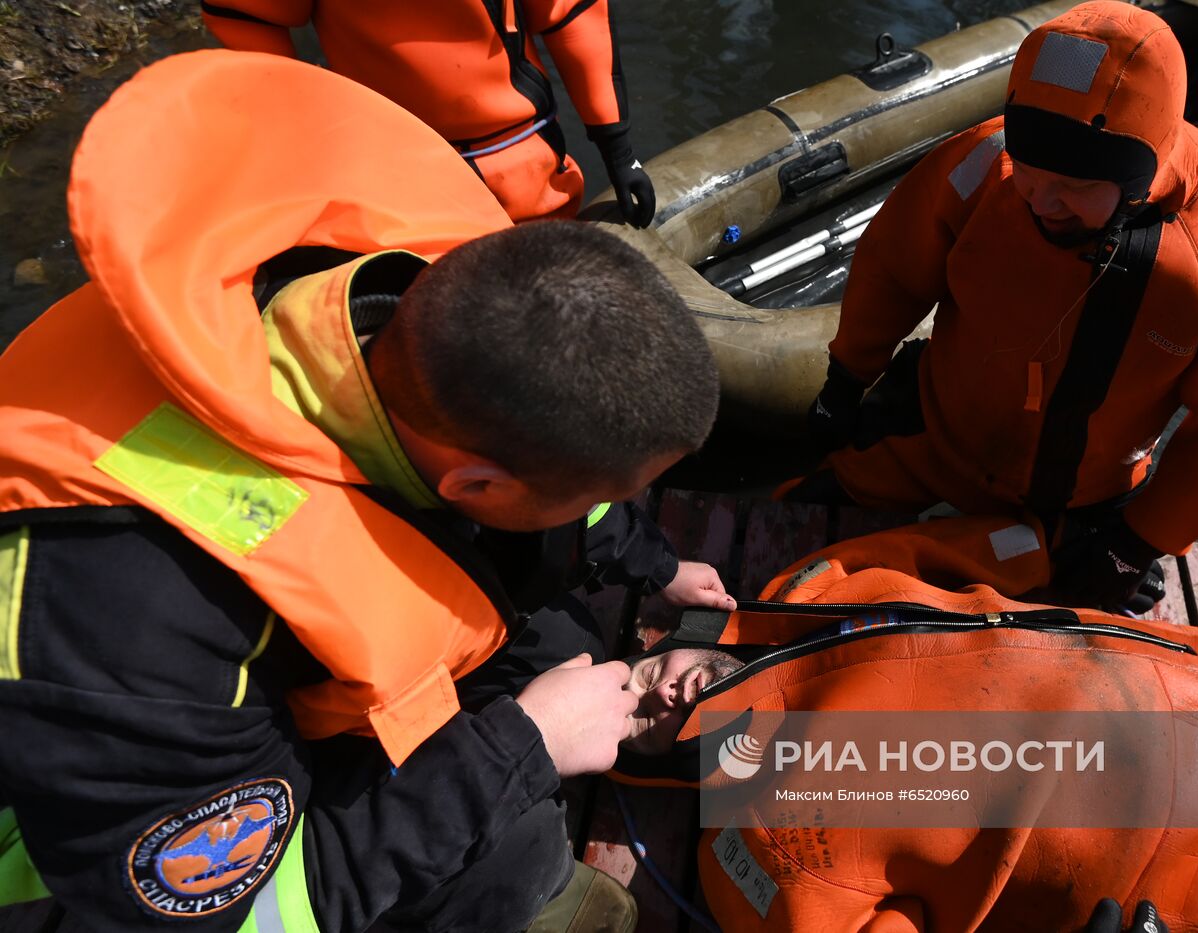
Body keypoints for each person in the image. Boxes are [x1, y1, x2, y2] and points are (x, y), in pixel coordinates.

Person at [0, 50, 727, 932]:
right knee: (509, 857)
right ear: (476, 482)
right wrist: (519, 749)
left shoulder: (426, 305)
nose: (599, 512)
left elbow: (573, 493)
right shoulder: (130, 608)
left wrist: (658, 564)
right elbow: (248, 911)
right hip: (104, 857)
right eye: (589, 499)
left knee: (560, 638)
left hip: (272, 659)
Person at [612, 516, 1198, 931]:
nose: (663, 703)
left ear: (659, 646)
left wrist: (1047, 544)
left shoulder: (807, 589)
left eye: (643, 683)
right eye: (639, 729)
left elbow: (936, 546)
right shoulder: (757, 851)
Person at [797, 1, 1198, 615]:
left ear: (1138, 176)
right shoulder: (982, 164)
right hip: (930, 443)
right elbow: (891, 269)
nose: (1041, 201)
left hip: (1084, 498)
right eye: (1029, 171)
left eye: (1073, 186)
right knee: (792, 524)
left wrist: (1138, 541)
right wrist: (845, 379)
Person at [201, 0, 656, 227]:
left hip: (521, 165)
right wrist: (310, 128)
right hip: (388, 173)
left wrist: (618, 148)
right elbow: (245, 14)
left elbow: (572, 17)